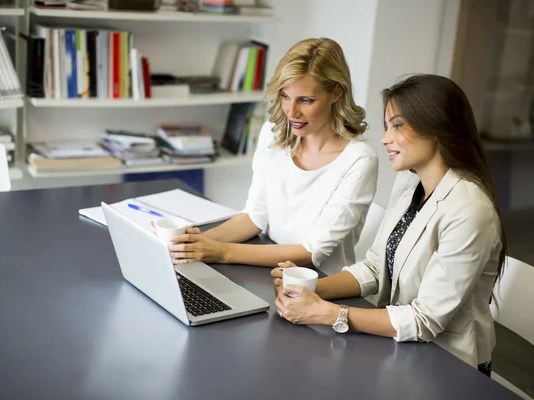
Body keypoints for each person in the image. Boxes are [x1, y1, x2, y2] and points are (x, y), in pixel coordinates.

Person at [271, 74, 507, 374]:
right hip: (400, 346)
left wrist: (326, 313)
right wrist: (312, 287)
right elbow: (374, 267)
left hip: (448, 365)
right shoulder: (409, 182)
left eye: (397, 126)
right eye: (387, 127)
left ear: (437, 128)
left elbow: (425, 321)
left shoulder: (470, 210)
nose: (385, 139)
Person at [169, 38, 379, 275]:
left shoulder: (359, 160)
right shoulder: (273, 133)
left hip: (316, 285)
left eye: (306, 100)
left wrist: (221, 251)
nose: (291, 111)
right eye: (285, 96)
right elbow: (254, 217)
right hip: (266, 267)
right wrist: (192, 246)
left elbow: (310, 254)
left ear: (336, 93)